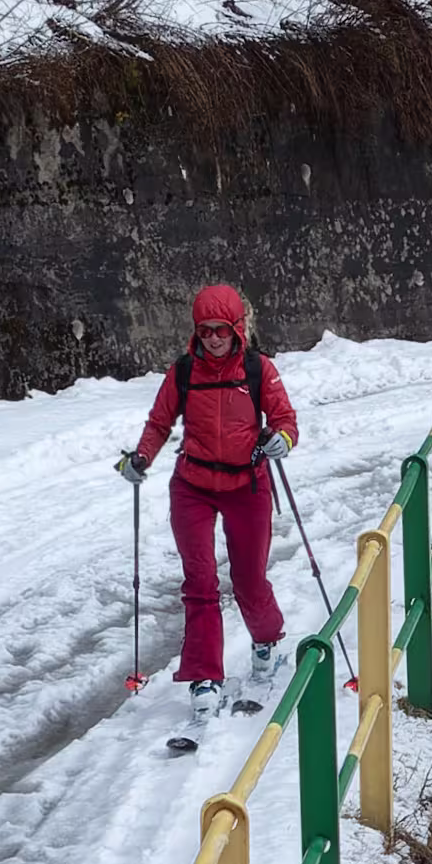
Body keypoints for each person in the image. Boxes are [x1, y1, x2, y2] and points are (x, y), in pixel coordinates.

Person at [121, 282, 298, 724]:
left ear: (237, 329)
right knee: (199, 583)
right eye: (205, 331)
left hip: (246, 486)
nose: (213, 338)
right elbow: (160, 421)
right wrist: (141, 456)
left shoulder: (259, 370)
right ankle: (204, 677)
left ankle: (266, 641)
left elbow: (284, 419)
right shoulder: (183, 372)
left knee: (249, 581)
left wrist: (283, 440)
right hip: (192, 487)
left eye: (221, 330)